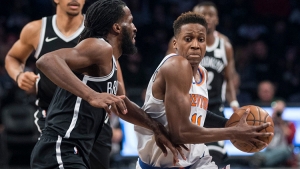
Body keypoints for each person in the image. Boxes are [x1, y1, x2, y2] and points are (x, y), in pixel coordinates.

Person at [30, 0, 186, 168]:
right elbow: (46, 60)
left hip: (75, 151)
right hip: (60, 148)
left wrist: (155, 127)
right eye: (130, 21)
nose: (135, 28)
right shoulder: (99, 46)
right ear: (117, 27)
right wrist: (92, 95)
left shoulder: (111, 60)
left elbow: (122, 105)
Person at [135, 11, 272, 169]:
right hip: (161, 165)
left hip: (194, 162)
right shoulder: (176, 66)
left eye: (201, 39)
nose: (195, 45)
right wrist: (233, 132)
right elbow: (179, 133)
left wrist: (233, 124)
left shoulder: (202, 72)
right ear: (175, 44)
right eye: (188, 39)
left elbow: (196, 114)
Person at [4, 0, 122, 168]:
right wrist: (19, 75)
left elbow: (115, 73)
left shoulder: (98, 29)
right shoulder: (36, 29)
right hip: (53, 118)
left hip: (90, 121)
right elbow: (12, 58)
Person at [166, 2, 239, 165]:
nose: (207, 18)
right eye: (202, 14)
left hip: (213, 108)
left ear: (217, 19)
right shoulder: (176, 50)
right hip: (185, 108)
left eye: (210, 14)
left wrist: (234, 103)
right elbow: (167, 67)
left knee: (214, 159)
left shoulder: (224, 45)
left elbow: (229, 78)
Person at [249, 100, 296, 167]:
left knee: (286, 150)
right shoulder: (268, 123)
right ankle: (264, 159)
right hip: (270, 150)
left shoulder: (289, 124)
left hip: (282, 150)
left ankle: (264, 160)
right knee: (257, 152)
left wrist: (281, 122)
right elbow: (261, 136)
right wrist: (270, 121)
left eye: (279, 112)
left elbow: (289, 138)